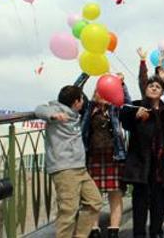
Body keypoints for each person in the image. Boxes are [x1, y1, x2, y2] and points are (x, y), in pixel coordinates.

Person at [35, 84, 103, 238]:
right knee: (68, 211)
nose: (83, 103)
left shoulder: (75, 115)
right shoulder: (56, 110)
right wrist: (53, 116)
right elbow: (39, 109)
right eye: (81, 100)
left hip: (79, 167)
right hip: (64, 168)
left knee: (95, 201)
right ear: (76, 102)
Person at [120, 76, 164, 238]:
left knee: (159, 200)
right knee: (140, 200)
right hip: (141, 161)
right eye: (150, 86)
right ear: (145, 89)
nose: (153, 88)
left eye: (157, 86)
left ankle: (156, 231)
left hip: (161, 162)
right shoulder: (137, 106)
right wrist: (135, 115)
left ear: (161, 91)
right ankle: (139, 233)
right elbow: (124, 119)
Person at [82, 74, 131, 238]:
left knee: (115, 193)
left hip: (114, 155)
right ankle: (94, 229)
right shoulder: (88, 108)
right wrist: (86, 73)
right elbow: (75, 92)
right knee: (92, 195)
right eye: (99, 91)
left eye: (106, 91)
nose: (102, 94)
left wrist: (121, 84)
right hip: (93, 155)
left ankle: (113, 230)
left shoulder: (115, 109)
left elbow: (128, 102)